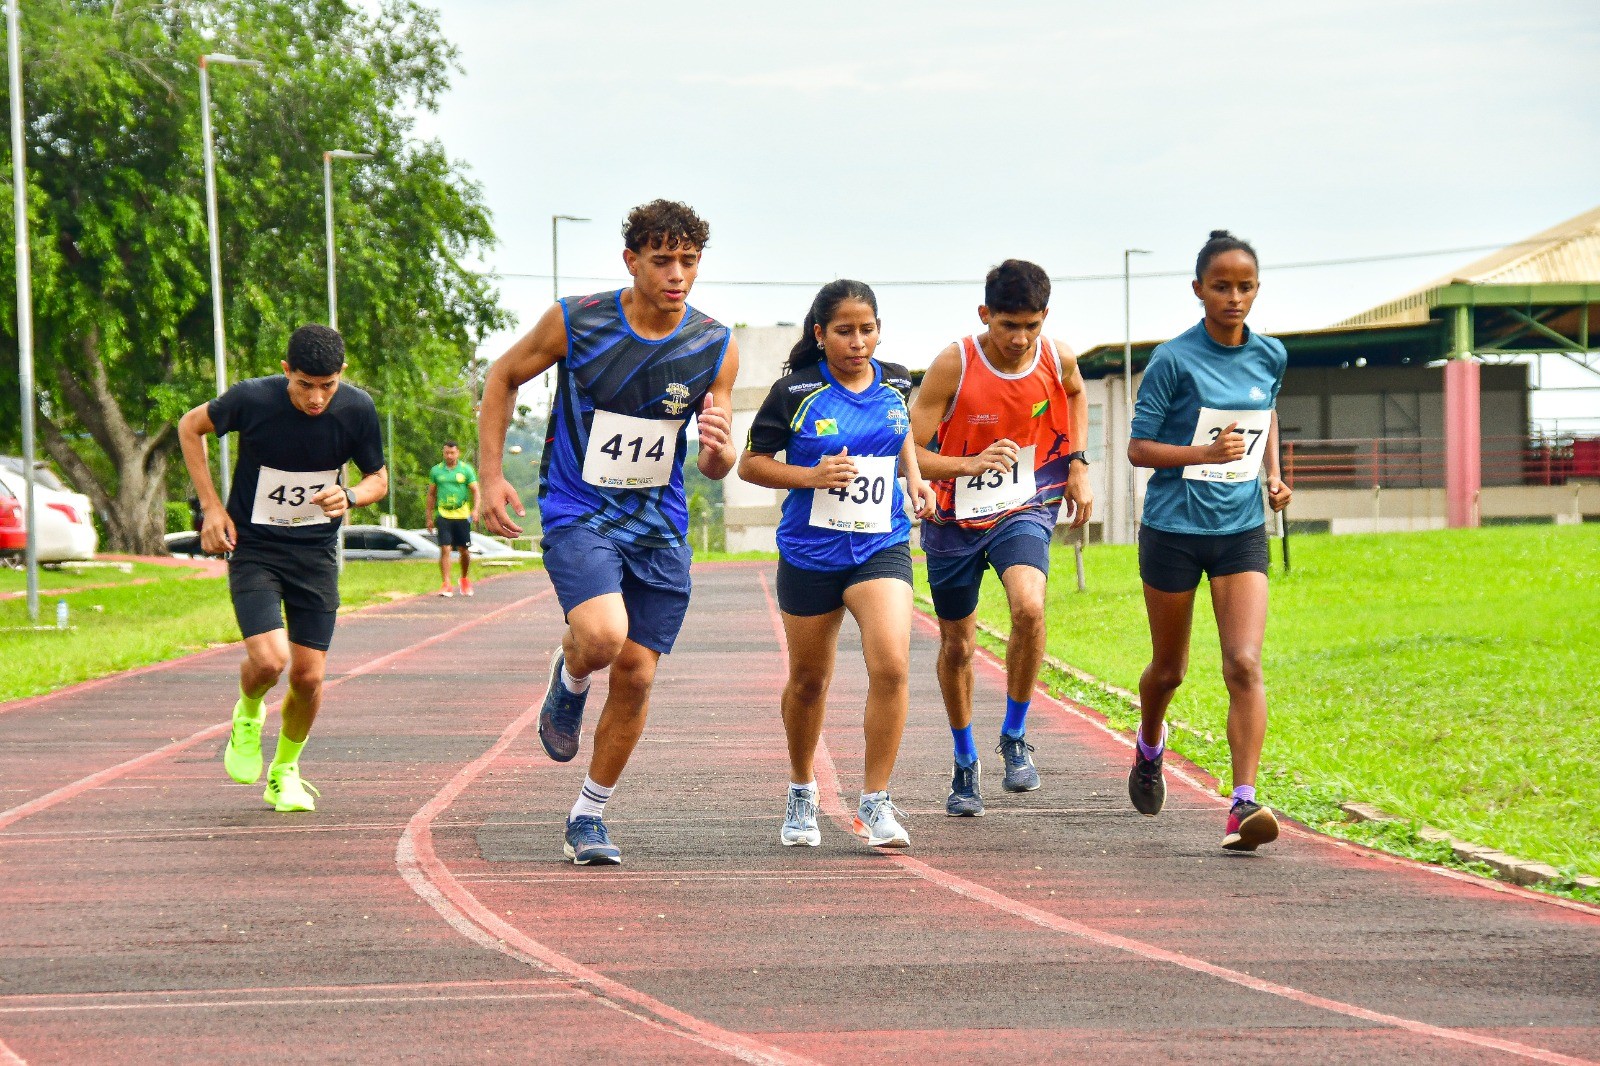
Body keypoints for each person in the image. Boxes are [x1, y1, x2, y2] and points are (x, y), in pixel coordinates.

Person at [478, 200, 738, 866]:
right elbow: (503, 375)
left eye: (688, 260)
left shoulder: (714, 344)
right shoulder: (579, 321)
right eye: (662, 261)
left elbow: (715, 457)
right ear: (632, 261)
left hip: (658, 524)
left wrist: (718, 452)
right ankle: (568, 679)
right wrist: (489, 478)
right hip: (578, 509)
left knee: (638, 676)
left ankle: (588, 815)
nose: (676, 274)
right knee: (601, 635)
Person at [740, 281, 937, 850]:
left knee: (892, 663)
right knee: (809, 681)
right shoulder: (795, 391)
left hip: (881, 543)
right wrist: (811, 476)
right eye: (845, 331)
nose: (858, 342)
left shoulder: (899, 382)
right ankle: (802, 787)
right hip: (810, 551)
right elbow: (752, 465)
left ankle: (876, 802)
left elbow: (902, 439)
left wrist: (917, 479)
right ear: (820, 334)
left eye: (867, 329)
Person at [1126, 229, 1291, 852]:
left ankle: (1243, 805)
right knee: (1168, 670)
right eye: (1221, 286)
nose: (1234, 297)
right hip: (1173, 531)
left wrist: (1273, 473)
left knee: (1244, 664)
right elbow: (1139, 449)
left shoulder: (1270, 355)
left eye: (1245, 286)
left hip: (1240, 531)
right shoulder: (1173, 359)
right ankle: (1148, 745)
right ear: (1198, 290)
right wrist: (1203, 452)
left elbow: (1265, 412)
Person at [176, 325, 387, 813]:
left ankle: (285, 771)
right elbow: (190, 426)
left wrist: (352, 494)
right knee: (270, 661)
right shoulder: (252, 399)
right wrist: (211, 507)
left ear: (342, 376)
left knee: (309, 678)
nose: (316, 398)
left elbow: (378, 478)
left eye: (327, 385)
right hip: (255, 549)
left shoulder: (356, 409)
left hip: (314, 555)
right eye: (305, 384)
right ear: (286, 370)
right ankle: (248, 714)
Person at [909, 260, 1092, 817]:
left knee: (1029, 608)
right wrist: (968, 465)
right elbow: (910, 452)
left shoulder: (1056, 356)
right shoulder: (953, 364)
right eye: (1009, 324)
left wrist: (1079, 462)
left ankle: (1014, 735)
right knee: (958, 645)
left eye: (1031, 325)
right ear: (985, 314)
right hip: (952, 514)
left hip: (1025, 501)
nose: (1020, 339)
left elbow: (1077, 394)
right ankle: (965, 761)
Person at [426, 440, 480, 597]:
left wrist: (475, 510)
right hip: (443, 515)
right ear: (443, 453)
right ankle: (446, 584)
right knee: (445, 548)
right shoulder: (436, 471)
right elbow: (431, 494)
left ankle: (464, 579)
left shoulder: (466, 470)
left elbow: (476, 491)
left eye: (452, 453)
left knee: (464, 550)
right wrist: (429, 516)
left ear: (458, 453)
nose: (449, 456)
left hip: (462, 515)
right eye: (446, 453)